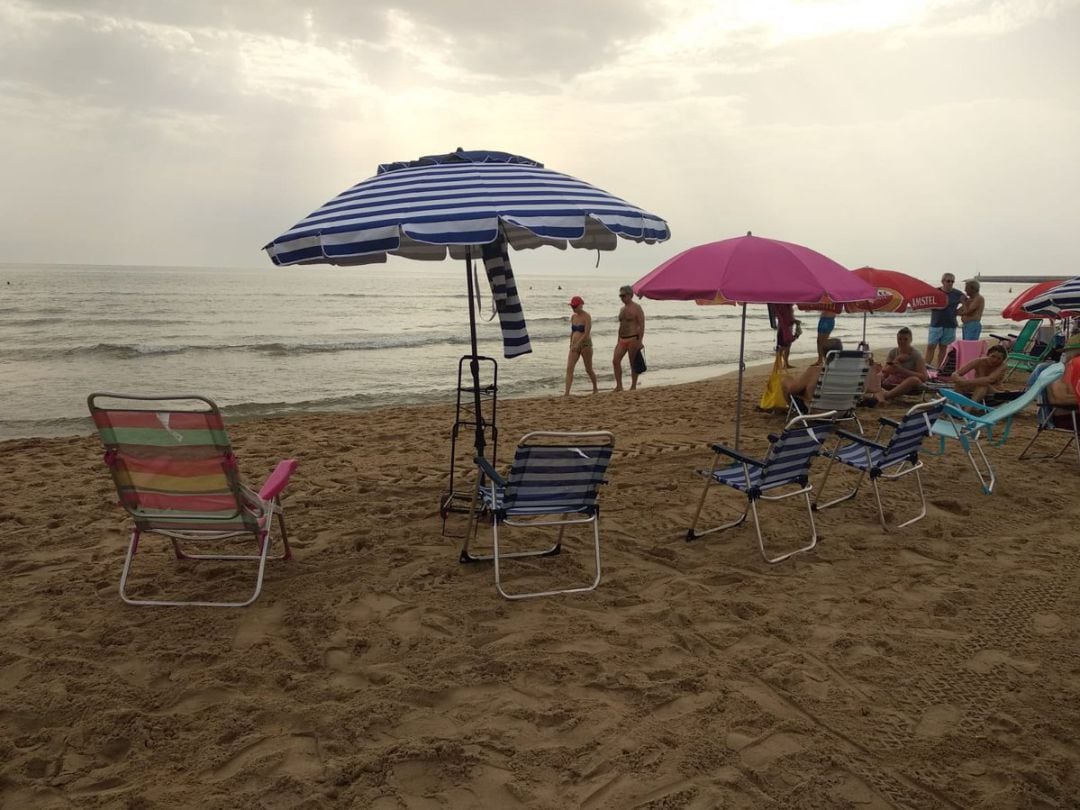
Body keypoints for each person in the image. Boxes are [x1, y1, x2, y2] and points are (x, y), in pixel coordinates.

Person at [870, 326, 928, 403]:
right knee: (875, 373)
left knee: (914, 380)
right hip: (892, 380)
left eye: (905, 339)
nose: (902, 341)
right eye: (899, 339)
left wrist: (902, 370)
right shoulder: (893, 352)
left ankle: (886, 396)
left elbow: (923, 377)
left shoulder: (916, 355)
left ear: (911, 340)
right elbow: (885, 371)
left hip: (908, 383)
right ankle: (869, 393)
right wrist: (897, 360)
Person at [783, 337, 843, 402]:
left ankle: (789, 409)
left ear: (823, 354)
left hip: (816, 409)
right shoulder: (850, 373)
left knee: (786, 381)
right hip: (843, 409)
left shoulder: (815, 371)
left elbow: (793, 390)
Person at [925, 273, 965, 368]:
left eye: (952, 281)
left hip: (950, 325)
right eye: (948, 281)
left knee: (943, 348)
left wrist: (958, 312)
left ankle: (940, 369)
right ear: (943, 281)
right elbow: (926, 303)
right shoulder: (935, 292)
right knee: (931, 346)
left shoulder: (958, 294)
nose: (950, 283)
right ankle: (926, 367)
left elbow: (967, 303)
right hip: (936, 324)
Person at [564, 296, 598, 396]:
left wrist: (578, 344)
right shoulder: (573, 317)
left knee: (588, 369)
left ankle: (595, 388)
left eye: (575, 306)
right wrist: (571, 344)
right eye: (572, 306)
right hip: (574, 345)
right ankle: (567, 392)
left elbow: (586, 333)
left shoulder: (587, 316)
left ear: (581, 305)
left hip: (585, 345)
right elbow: (573, 331)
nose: (573, 308)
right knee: (569, 368)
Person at [613, 284, 645, 391]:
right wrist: (618, 340)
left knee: (633, 363)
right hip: (622, 339)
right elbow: (621, 325)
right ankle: (619, 386)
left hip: (633, 338)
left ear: (630, 295)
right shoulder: (622, 309)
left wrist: (640, 341)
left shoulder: (637, 308)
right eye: (620, 296)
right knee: (615, 361)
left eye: (623, 296)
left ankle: (633, 386)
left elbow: (641, 324)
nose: (622, 298)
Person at [771, 304, 797, 369]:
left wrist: (793, 320)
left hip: (788, 327)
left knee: (787, 346)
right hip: (783, 328)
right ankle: (778, 364)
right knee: (782, 347)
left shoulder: (788, 305)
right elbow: (781, 316)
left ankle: (785, 364)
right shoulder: (780, 305)